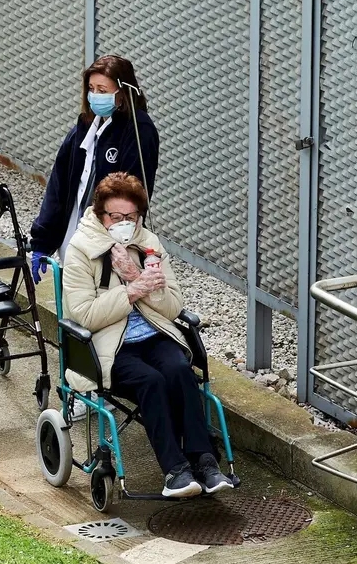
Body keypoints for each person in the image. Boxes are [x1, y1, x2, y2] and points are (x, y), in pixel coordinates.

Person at [62, 172, 234, 498]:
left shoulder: (149, 243)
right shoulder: (81, 250)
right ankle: (175, 471)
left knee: (180, 370)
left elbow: (172, 307)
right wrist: (130, 292)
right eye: (116, 217)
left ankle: (206, 463)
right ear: (101, 215)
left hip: (154, 334)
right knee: (150, 381)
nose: (124, 222)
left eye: (131, 217)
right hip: (109, 344)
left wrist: (137, 276)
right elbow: (83, 315)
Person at [29, 55, 159, 278]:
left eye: (103, 90)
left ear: (122, 93)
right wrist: (43, 240)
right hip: (74, 236)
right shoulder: (84, 127)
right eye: (92, 89)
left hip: (109, 246)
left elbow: (131, 196)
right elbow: (59, 186)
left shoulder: (139, 130)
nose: (96, 96)